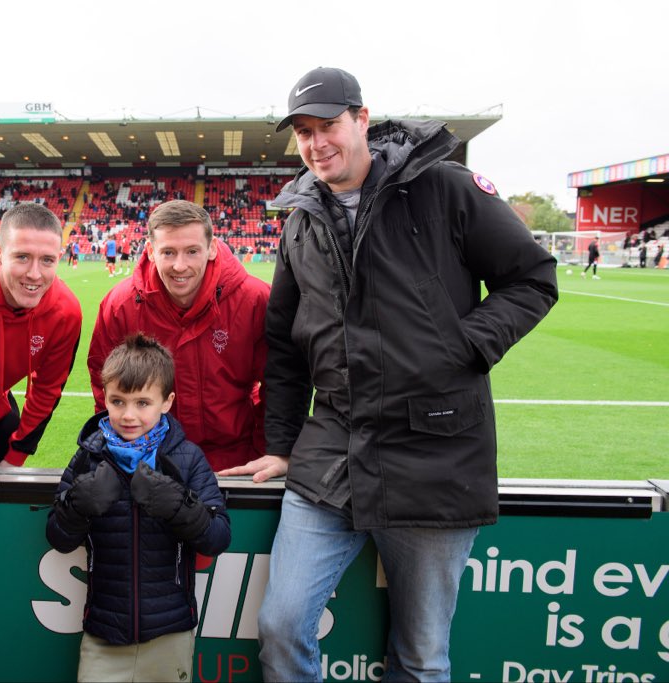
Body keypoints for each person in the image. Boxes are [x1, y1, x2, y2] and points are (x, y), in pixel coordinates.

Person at [219, 67, 559, 681]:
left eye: (328, 126)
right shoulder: (300, 216)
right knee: (280, 623)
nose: (317, 143)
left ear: (362, 119)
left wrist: (461, 344)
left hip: (437, 448)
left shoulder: (447, 187)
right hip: (333, 448)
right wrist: (281, 445)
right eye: (303, 132)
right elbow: (286, 344)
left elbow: (533, 278)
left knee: (421, 655)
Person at [46, 333, 231, 682]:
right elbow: (58, 536)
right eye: (118, 402)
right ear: (106, 399)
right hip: (103, 633)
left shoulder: (187, 458)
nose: (128, 415)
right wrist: (80, 505)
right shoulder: (89, 456)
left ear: (167, 401)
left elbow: (217, 537)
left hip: (170, 634)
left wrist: (177, 505)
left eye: (143, 403)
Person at [88, 199, 270, 472]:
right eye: (168, 252)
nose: (180, 266)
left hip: (235, 461)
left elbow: (278, 384)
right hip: (149, 460)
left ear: (211, 248)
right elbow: (103, 384)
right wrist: (123, 453)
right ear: (150, 251)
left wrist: (266, 451)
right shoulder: (120, 305)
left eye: (192, 251)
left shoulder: (255, 300)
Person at [0, 203, 83, 467]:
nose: (34, 274)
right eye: (22, 257)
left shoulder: (66, 313)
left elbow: (47, 391)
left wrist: (15, 457)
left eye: (47, 260)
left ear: (60, 256)